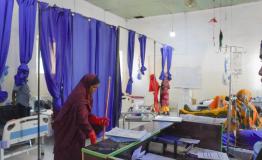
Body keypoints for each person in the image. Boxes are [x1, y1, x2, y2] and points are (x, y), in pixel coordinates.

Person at [53, 74, 109, 160]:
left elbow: (85, 114)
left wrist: (97, 120)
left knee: (77, 151)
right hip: (66, 128)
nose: (95, 90)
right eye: (94, 87)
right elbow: (82, 118)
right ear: (88, 85)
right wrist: (91, 132)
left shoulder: (87, 94)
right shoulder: (79, 96)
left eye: (97, 88)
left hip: (75, 127)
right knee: (67, 153)